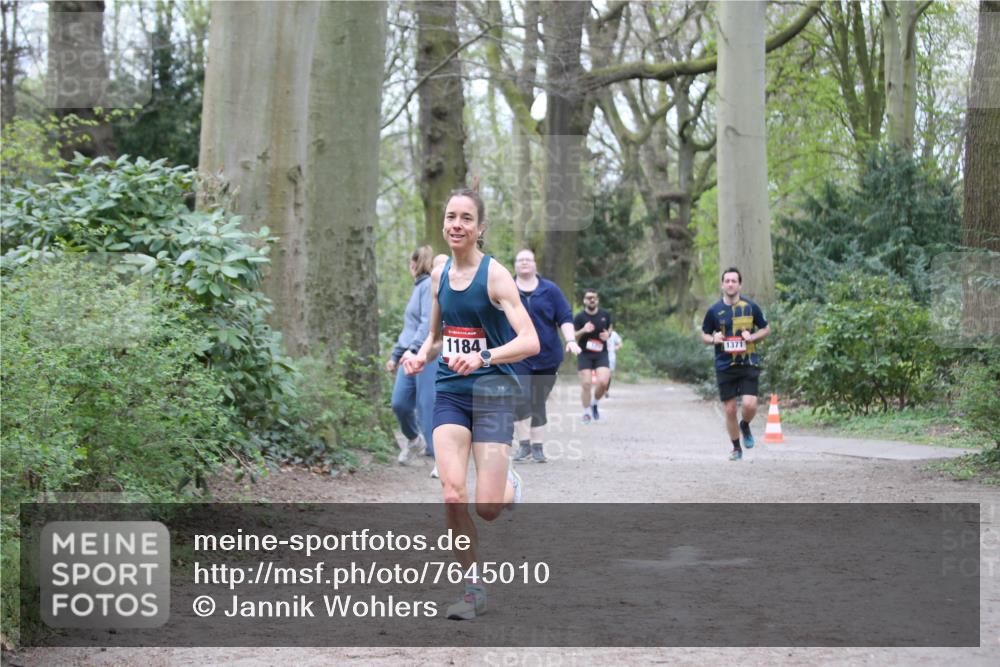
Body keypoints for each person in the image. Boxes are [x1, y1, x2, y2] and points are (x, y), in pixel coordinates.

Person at [403, 187, 539, 620]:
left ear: (480, 228)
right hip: (451, 395)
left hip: (493, 395)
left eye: (465, 218)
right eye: (450, 217)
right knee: (451, 492)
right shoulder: (439, 275)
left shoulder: (496, 276)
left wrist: (483, 356)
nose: (456, 225)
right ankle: (473, 589)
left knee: (488, 507)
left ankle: (511, 483)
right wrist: (421, 354)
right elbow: (440, 335)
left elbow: (530, 340)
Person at [510, 248, 581, 463]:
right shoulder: (507, 289)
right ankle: (524, 445)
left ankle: (537, 446)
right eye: (520, 260)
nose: (524, 263)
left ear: (534, 265)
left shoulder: (550, 290)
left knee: (538, 399)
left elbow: (565, 317)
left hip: (547, 355)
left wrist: (570, 340)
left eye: (528, 260)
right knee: (521, 397)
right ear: (515, 265)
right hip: (517, 353)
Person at [701, 267, 771, 461]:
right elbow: (704, 334)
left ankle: (745, 425)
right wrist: (713, 338)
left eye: (734, 281)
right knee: (730, 409)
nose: (730, 284)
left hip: (748, 362)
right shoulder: (714, 311)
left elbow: (766, 329)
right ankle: (736, 448)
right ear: (722, 285)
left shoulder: (751, 307)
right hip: (724, 365)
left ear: (739, 284)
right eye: (727, 281)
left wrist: (753, 337)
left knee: (749, 405)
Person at [387, 246, 437, 472]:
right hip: (408, 355)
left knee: (427, 405)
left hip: (424, 355)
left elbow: (427, 323)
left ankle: (440, 459)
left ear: (415, 264)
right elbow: (409, 328)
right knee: (400, 403)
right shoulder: (417, 287)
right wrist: (395, 355)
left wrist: (415, 349)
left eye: (411, 262)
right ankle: (414, 439)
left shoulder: (427, 286)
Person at [573, 289, 612, 423]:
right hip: (585, 354)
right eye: (589, 298)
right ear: (584, 300)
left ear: (597, 300)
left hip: (601, 353)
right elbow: (572, 336)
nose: (592, 300)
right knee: (586, 383)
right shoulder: (579, 317)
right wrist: (583, 330)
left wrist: (608, 335)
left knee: (603, 382)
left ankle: (594, 403)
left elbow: (610, 329)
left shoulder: (605, 314)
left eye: (594, 298)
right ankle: (586, 412)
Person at [605, 324, 623, 398]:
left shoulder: (614, 334)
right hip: (601, 357)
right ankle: (602, 388)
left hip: (611, 357)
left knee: (608, 374)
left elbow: (621, 344)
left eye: (610, 328)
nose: (609, 329)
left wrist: (617, 347)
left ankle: (606, 390)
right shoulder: (601, 333)